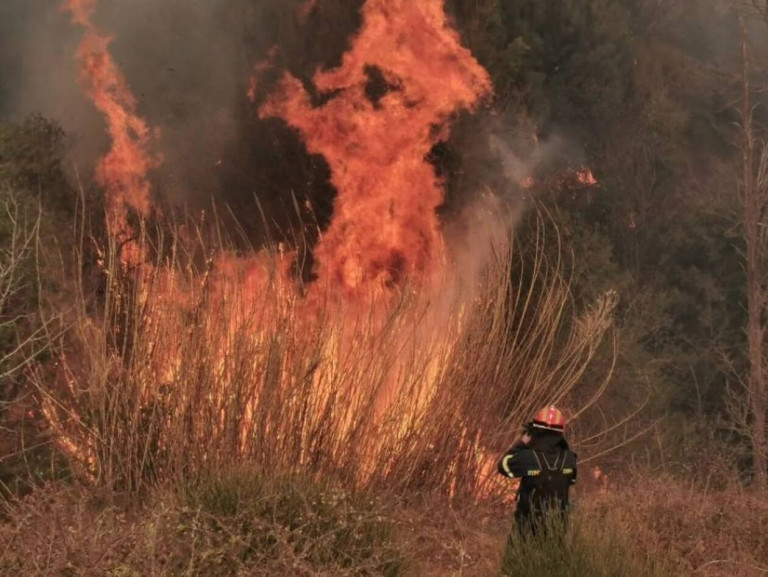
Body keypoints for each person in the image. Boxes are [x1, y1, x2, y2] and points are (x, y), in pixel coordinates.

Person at [497, 405, 577, 536]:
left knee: (518, 556)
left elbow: (503, 466)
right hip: (556, 533)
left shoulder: (528, 457)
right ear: (561, 432)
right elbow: (571, 480)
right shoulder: (570, 458)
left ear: (535, 431)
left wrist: (522, 442)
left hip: (525, 532)